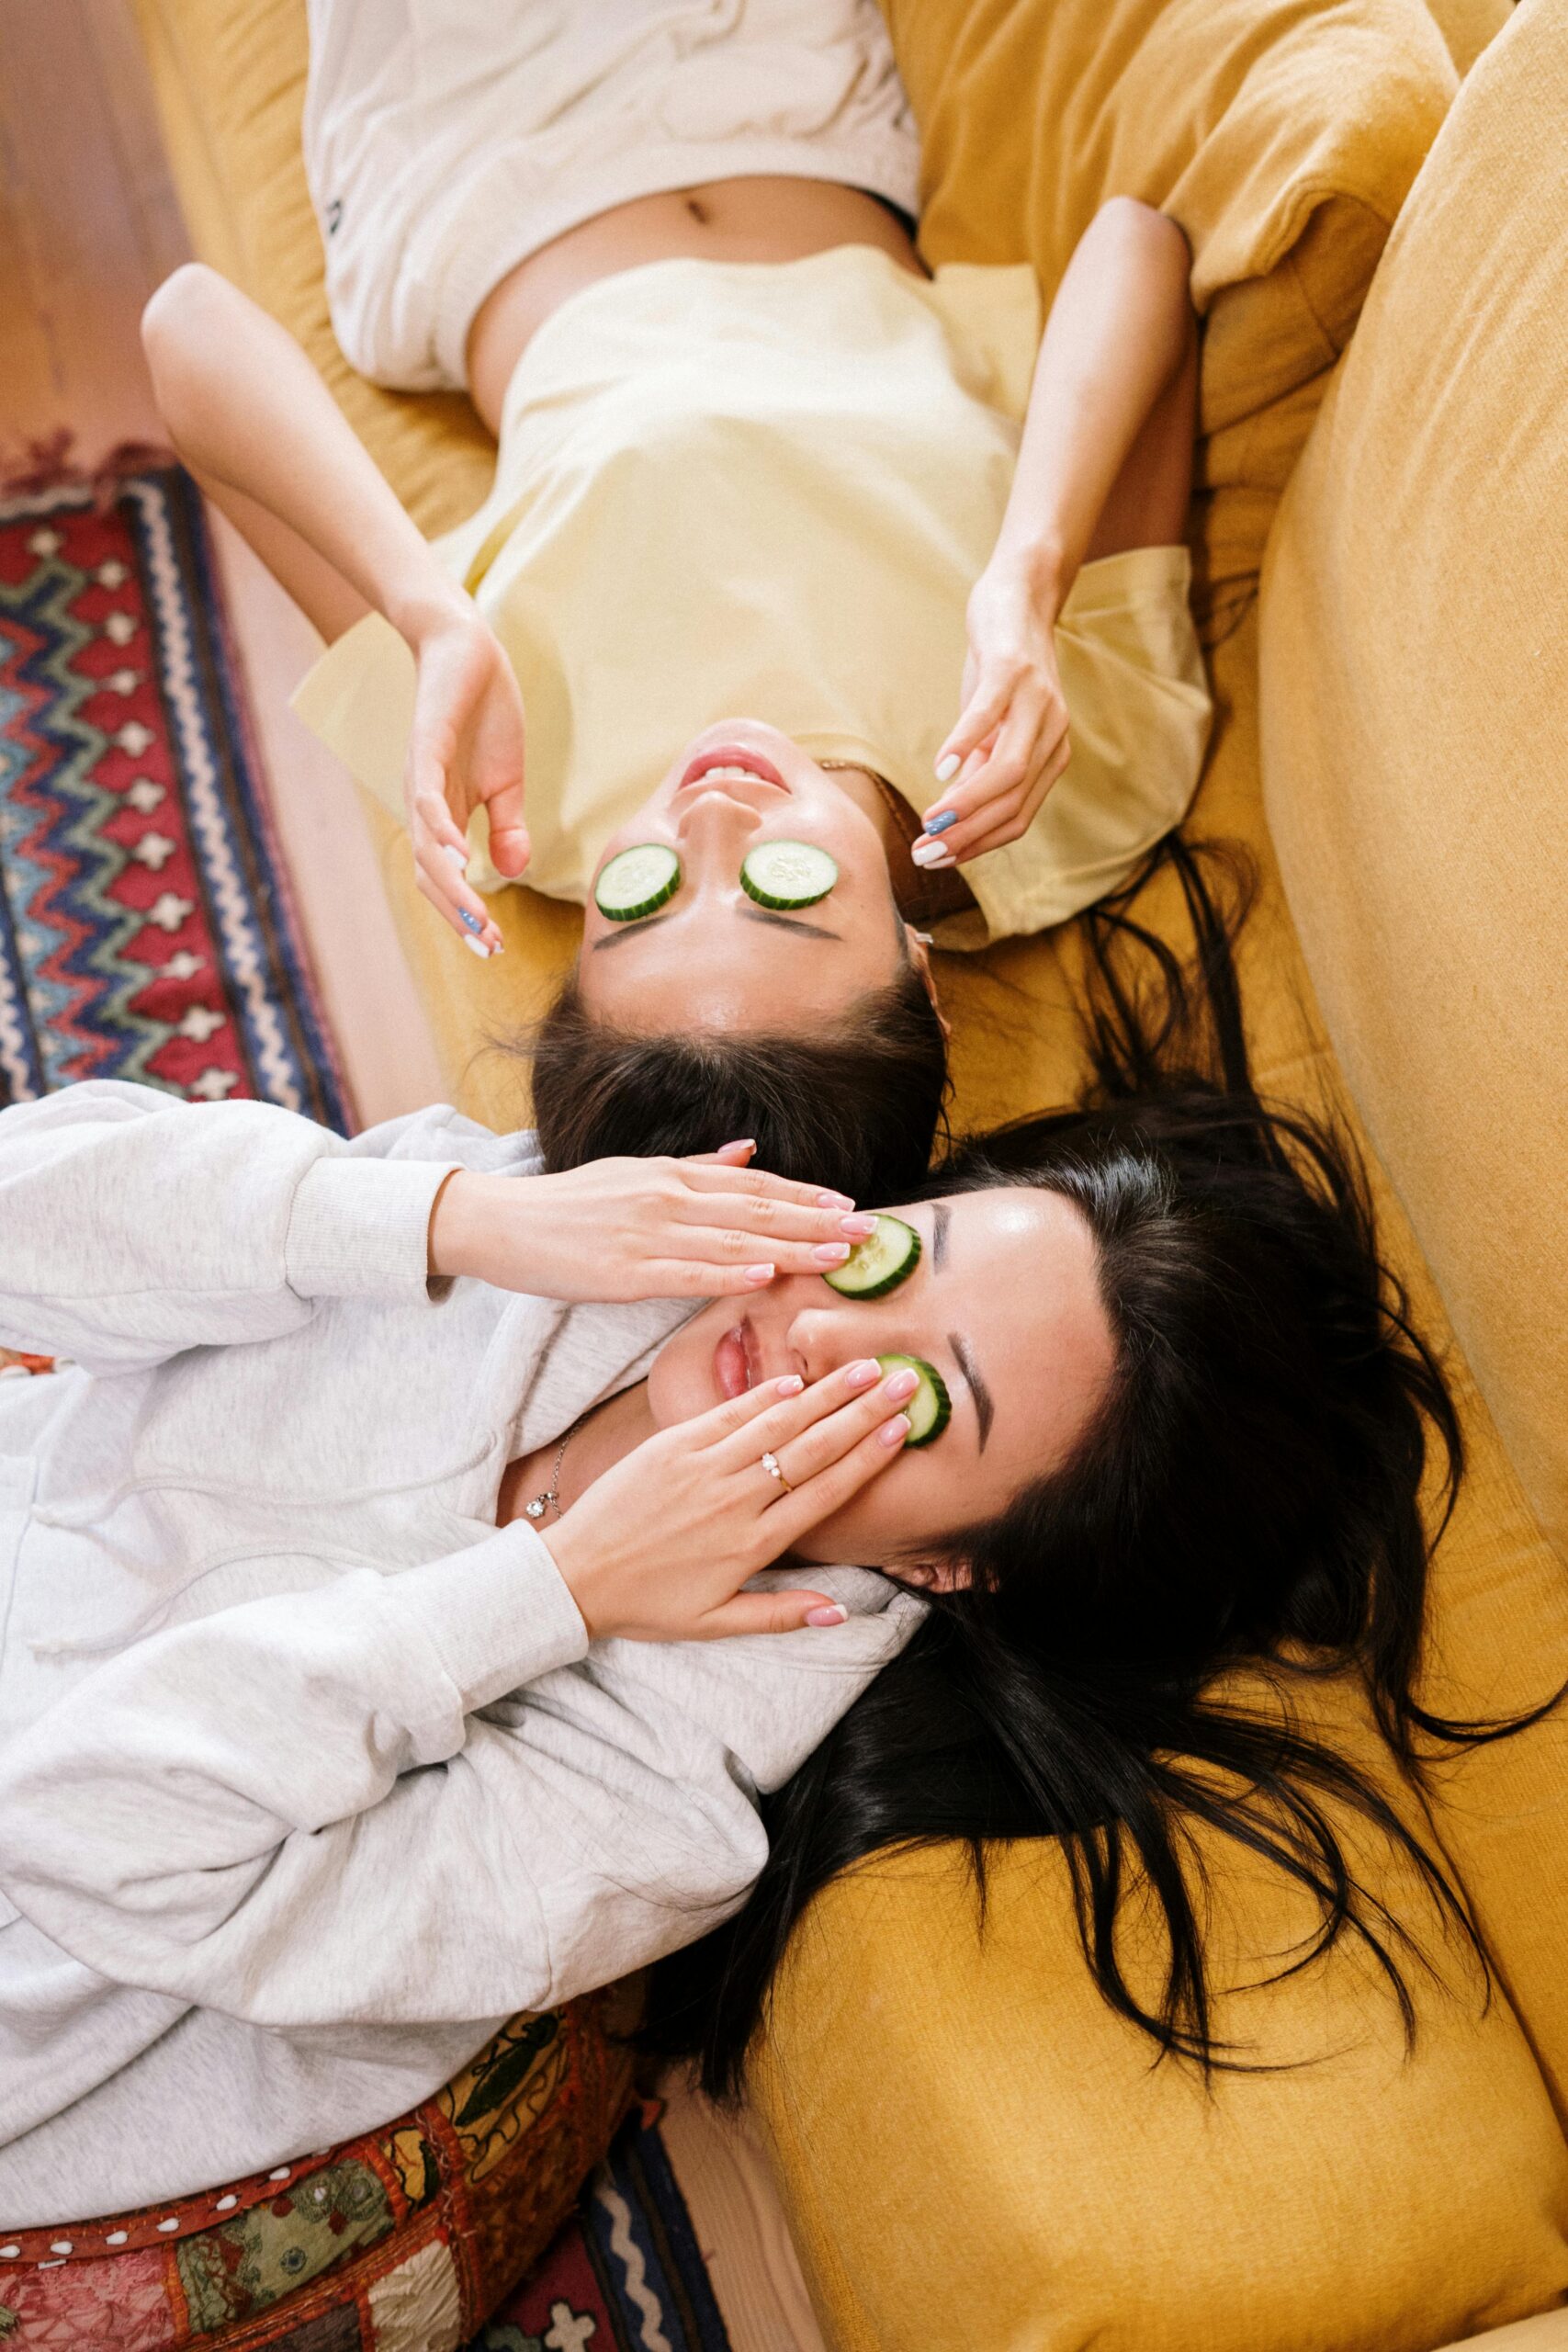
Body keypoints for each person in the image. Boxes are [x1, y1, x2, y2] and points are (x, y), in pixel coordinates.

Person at [0, 848, 1549, 2230]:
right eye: (895, 1256)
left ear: (949, 1563)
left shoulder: (655, 1816)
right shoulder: (603, 1228)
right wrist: (441, 1217)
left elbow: (79, 1832)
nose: (816, 1332)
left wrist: (554, 1591)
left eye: (924, 1400)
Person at [139, 0, 1210, 1198]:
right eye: (782, 896)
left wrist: (427, 613)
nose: (707, 823)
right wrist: (1027, 575)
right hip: (795, 98)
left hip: (476, 156)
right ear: (924, 989)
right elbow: (1139, 245)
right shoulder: (1090, 781)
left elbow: (186, 328)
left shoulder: (512, 791)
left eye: (639, 901)